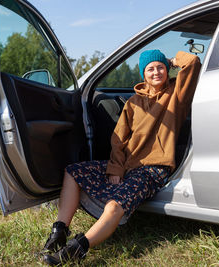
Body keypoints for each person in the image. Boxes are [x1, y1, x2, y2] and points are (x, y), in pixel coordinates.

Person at [42, 49, 201, 265]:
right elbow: (118, 140)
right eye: (150, 69)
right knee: (73, 171)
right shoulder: (133, 103)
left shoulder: (176, 95)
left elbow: (192, 62)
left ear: (167, 69)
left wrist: (171, 60)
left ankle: (76, 249)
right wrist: (116, 168)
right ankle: (59, 231)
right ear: (143, 74)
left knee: (114, 205)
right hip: (127, 164)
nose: (156, 72)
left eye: (160, 67)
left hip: (153, 168)